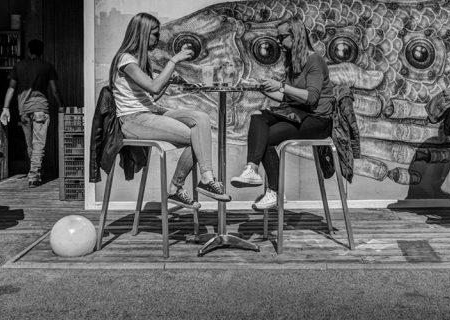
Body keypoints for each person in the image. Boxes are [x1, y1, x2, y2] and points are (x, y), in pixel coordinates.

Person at [109, 12, 230, 209]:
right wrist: (174, 61)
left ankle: (206, 178)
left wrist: (168, 80)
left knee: (200, 118)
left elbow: (152, 95)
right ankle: (177, 187)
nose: (158, 38)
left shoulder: (141, 60)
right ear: (143, 33)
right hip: (133, 120)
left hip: (151, 112)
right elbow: (153, 86)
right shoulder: (125, 59)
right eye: (155, 34)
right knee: (195, 137)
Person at [230, 18, 335, 211]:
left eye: (281, 37)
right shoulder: (293, 62)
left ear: (296, 36)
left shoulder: (314, 60)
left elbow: (311, 97)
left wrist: (281, 86)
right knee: (258, 116)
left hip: (318, 120)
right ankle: (252, 168)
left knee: (266, 138)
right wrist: (261, 88)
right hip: (298, 113)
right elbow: (286, 97)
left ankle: (275, 191)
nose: (278, 41)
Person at [0, 39, 61, 187]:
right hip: (40, 108)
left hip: (24, 111)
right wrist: (61, 105)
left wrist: (5, 108)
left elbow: (11, 88)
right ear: (42, 51)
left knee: (30, 145)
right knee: (38, 144)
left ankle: (35, 171)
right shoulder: (46, 66)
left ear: (28, 51)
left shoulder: (19, 66)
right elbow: (54, 90)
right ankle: (34, 175)